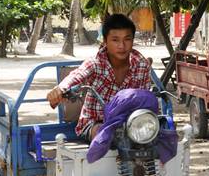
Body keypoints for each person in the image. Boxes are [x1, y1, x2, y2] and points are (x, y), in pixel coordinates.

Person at [47, 13, 152, 141]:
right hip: (94, 124)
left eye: (127, 39)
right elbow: (77, 75)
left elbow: (146, 99)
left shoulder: (141, 65)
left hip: (132, 125)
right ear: (105, 41)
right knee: (105, 133)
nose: (122, 46)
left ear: (133, 40)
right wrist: (60, 89)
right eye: (115, 40)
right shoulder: (95, 63)